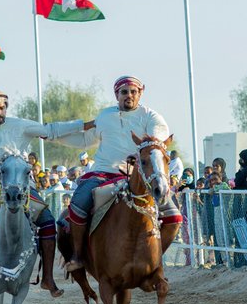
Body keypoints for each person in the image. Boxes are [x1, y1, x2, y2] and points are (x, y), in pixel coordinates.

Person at [0, 89, 90, 296]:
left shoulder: (20, 125)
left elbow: (51, 130)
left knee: (47, 221)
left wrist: (85, 125)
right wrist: (8, 164)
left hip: (22, 188)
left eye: (1, 108)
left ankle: (47, 278)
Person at [64, 76, 182, 272]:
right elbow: (84, 139)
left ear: (140, 93)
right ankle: (77, 256)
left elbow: (158, 138)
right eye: (124, 92)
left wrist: (143, 150)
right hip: (102, 172)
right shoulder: (105, 116)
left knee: (175, 218)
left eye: (133, 92)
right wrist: (52, 135)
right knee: (78, 203)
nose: (129, 95)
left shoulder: (151, 116)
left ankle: (154, 261)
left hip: (138, 177)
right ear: (116, 95)